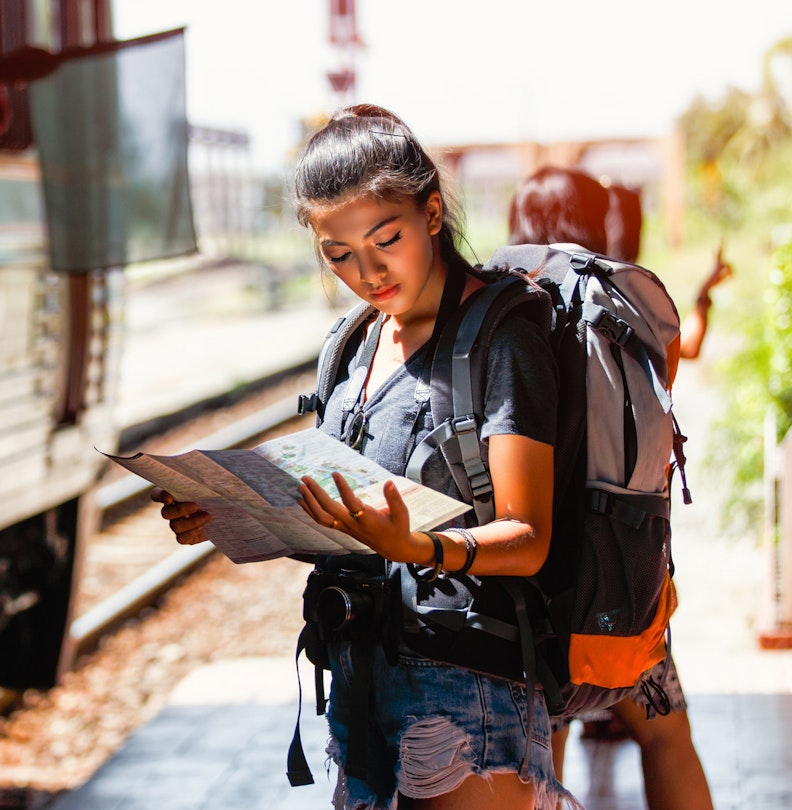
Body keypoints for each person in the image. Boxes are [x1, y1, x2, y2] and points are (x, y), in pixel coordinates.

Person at [153, 105, 578, 810]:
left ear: (433, 212)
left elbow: (529, 540)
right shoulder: (350, 348)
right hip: (358, 673)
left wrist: (417, 546)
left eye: (386, 238)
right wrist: (228, 512)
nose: (368, 270)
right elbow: (340, 516)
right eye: (338, 254)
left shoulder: (502, 342)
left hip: (467, 686)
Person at [508, 166, 714, 810]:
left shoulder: (498, 303)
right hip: (620, 572)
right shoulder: (626, 302)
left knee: (548, 751)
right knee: (667, 737)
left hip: (523, 578)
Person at [603, 184, 732, 363]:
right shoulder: (632, 290)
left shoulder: (571, 285)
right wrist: (704, 293)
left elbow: (686, 347)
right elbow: (687, 348)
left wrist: (704, 291)